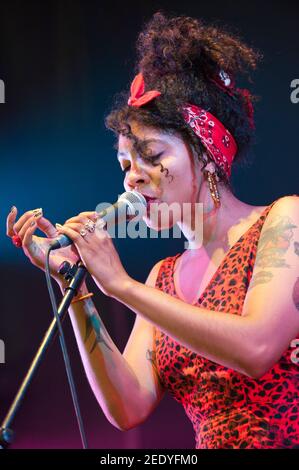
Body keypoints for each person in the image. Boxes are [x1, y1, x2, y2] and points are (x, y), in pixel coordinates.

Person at [6, 12, 299, 449]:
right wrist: (76, 284)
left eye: (151, 154)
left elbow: (255, 349)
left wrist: (121, 285)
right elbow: (127, 407)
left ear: (206, 152)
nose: (132, 178)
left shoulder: (283, 221)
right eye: (126, 164)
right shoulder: (162, 278)